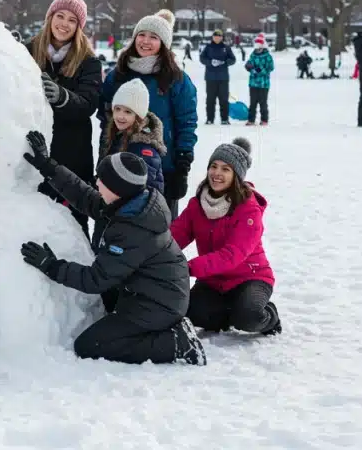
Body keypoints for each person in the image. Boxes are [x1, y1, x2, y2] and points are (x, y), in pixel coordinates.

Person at [20, 136, 206, 366]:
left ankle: (177, 343)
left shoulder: (133, 228)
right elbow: (85, 197)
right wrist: (49, 168)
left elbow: (94, 280)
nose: (97, 183)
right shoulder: (131, 204)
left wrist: (51, 266)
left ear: (118, 189)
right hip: (151, 291)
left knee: (89, 345)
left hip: (159, 303)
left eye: (102, 181)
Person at [170, 138, 280, 336]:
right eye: (214, 166)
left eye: (225, 169)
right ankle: (229, 313)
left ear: (236, 176)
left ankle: (269, 316)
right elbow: (175, 236)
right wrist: (151, 250)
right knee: (190, 313)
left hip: (250, 277)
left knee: (249, 317)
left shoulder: (248, 209)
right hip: (213, 281)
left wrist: (188, 268)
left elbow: (232, 255)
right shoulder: (198, 204)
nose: (217, 174)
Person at [98, 10, 198, 218]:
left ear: (163, 44)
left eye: (154, 37)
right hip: (120, 161)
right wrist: (103, 154)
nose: (146, 41)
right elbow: (105, 118)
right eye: (141, 35)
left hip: (163, 166)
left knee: (159, 228)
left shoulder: (176, 79)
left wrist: (182, 164)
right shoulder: (118, 75)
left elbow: (186, 122)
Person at [29, 0, 103, 232]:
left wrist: (63, 97)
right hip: (34, 147)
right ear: (50, 18)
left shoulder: (89, 62)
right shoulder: (27, 50)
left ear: (78, 27)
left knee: (72, 224)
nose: (64, 23)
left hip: (72, 153)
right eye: (60, 16)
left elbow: (88, 104)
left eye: (72, 20)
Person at [102, 79, 165, 194]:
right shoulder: (118, 135)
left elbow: (141, 193)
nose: (120, 116)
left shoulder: (143, 149)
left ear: (139, 116)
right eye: (117, 109)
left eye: (128, 112)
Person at [199, 29, 236, 125]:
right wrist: (210, 62)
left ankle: (224, 119)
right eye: (215, 36)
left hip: (223, 78)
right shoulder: (208, 47)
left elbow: (233, 59)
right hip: (210, 78)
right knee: (210, 99)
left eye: (219, 36)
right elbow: (202, 58)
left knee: (224, 99)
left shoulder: (226, 48)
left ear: (222, 37)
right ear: (213, 37)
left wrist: (224, 62)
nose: (217, 38)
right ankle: (210, 119)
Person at [245, 34, 274, 126]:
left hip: (263, 84)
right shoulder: (253, 55)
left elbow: (270, 67)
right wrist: (248, 66)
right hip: (253, 83)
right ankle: (251, 120)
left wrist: (260, 70)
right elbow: (249, 63)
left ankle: (264, 119)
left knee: (263, 103)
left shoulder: (267, 56)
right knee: (252, 103)